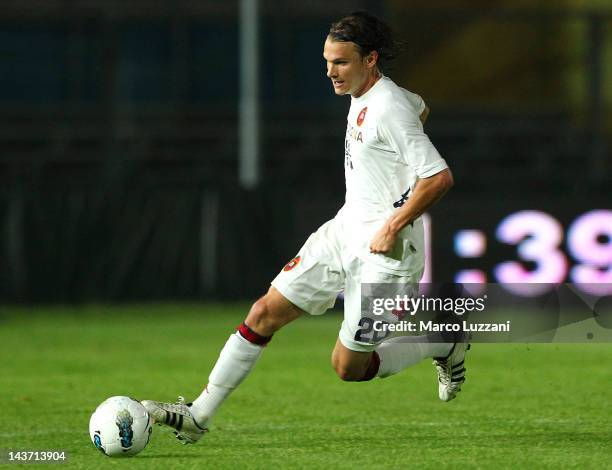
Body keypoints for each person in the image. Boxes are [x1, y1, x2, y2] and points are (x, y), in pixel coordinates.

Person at [143, 11, 468, 444]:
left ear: (370, 59)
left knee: (348, 368)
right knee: (263, 313)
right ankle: (198, 415)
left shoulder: (388, 108)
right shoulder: (384, 98)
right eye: (327, 61)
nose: (330, 72)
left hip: (387, 253)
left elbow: (438, 176)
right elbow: (419, 106)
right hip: (344, 230)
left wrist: (394, 222)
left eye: (341, 63)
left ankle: (442, 343)